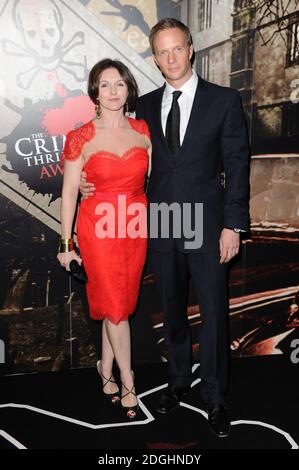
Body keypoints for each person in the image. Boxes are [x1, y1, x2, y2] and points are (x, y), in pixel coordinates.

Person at [80, 18, 250, 437]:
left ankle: (213, 395)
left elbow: (238, 167)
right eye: (162, 51)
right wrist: (89, 182)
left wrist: (233, 225)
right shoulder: (145, 108)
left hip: (206, 222)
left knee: (212, 312)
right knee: (172, 310)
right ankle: (177, 380)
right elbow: (125, 155)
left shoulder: (224, 101)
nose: (171, 58)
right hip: (161, 220)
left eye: (177, 49)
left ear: (191, 49)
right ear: (154, 57)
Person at [57, 59, 151, 419]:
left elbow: (149, 181)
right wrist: (66, 244)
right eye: (105, 84)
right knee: (114, 305)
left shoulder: (143, 131)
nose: (113, 91)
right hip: (97, 228)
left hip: (134, 227)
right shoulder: (80, 136)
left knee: (121, 306)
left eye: (120, 84)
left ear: (129, 89)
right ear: (94, 91)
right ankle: (128, 379)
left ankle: (104, 367)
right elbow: (68, 193)